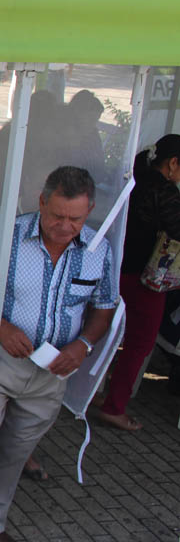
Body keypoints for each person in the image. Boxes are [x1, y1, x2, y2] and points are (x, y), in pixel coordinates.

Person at [0, 167, 117, 542]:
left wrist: (83, 345)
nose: (64, 226)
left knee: (18, 449)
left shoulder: (99, 249)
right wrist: (0, 328)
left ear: (89, 212)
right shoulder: (9, 235)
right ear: (41, 201)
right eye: (57, 215)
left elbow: (104, 310)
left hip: (53, 371)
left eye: (76, 219)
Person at [95, 135, 180, 431]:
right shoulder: (166, 193)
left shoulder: (135, 178)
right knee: (139, 344)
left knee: (102, 332)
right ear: (172, 163)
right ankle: (114, 406)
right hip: (145, 279)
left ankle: (90, 390)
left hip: (113, 266)